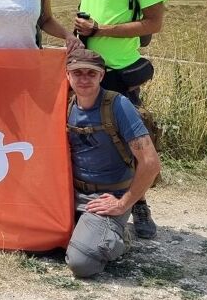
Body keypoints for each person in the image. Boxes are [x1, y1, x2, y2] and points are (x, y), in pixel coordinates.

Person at [6, 0, 168, 238]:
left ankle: (138, 206)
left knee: (124, 139)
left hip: (115, 71)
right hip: (82, 66)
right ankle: (72, 200)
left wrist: (100, 30)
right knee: (78, 136)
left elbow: (155, 23)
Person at [64, 47, 161, 278]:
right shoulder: (64, 105)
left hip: (108, 197)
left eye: (91, 73)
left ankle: (118, 237)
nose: (84, 78)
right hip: (70, 193)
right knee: (36, 241)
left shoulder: (118, 105)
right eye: (77, 73)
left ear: (102, 76)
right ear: (67, 75)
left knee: (82, 263)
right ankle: (89, 233)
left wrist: (122, 203)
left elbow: (150, 163)